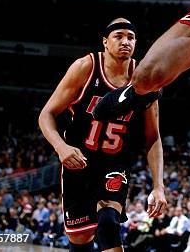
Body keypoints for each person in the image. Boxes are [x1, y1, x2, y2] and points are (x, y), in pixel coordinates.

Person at [38, 18, 167, 252]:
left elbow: (153, 137)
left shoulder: (145, 79)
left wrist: (158, 186)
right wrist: (61, 147)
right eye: (119, 36)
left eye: (130, 37)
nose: (125, 41)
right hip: (79, 161)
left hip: (115, 162)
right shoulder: (85, 67)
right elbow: (46, 114)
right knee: (80, 238)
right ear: (105, 42)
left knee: (108, 222)